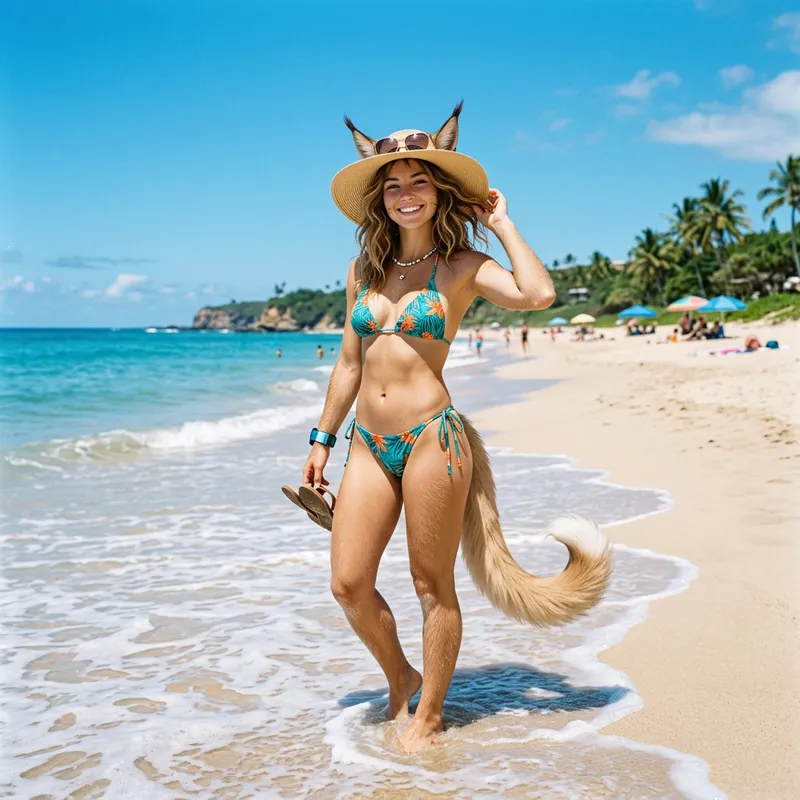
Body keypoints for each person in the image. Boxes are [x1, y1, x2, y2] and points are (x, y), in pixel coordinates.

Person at [298, 103, 612, 751]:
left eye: (418, 181)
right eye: (393, 184)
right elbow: (349, 363)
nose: (405, 194)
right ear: (378, 197)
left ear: (438, 193)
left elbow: (537, 295)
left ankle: (430, 715)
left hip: (432, 439)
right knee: (348, 583)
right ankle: (401, 675)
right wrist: (321, 440)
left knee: (429, 584)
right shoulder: (364, 271)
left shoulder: (462, 266)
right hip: (366, 444)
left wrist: (503, 224)